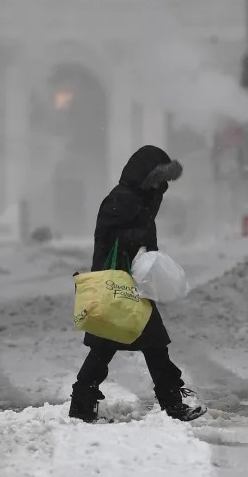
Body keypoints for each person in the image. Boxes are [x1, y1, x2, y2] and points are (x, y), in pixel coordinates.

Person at [68, 145, 206, 423]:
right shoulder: (121, 199)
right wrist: (142, 236)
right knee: (146, 345)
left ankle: (83, 404)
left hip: (132, 283)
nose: (161, 185)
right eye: (158, 178)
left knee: (123, 346)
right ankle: (171, 403)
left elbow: (146, 245)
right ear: (144, 175)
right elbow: (113, 240)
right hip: (115, 283)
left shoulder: (141, 199)